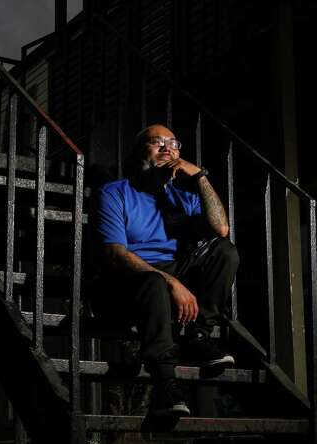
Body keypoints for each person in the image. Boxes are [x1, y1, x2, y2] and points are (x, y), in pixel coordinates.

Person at [93, 124, 239, 418]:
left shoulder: (183, 199)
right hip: (128, 282)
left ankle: (197, 336)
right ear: (138, 154)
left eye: (173, 143)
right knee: (155, 282)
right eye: (156, 142)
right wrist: (171, 281)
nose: (167, 148)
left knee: (226, 251)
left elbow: (221, 228)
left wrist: (199, 176)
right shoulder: (115, 192)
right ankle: (164, 383)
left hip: (172, 275)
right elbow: (115, 253)